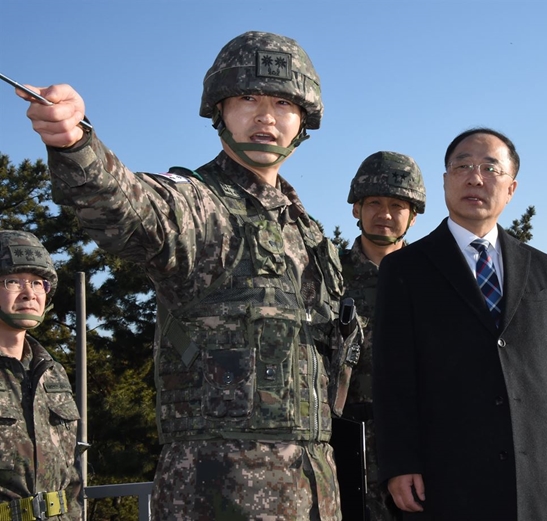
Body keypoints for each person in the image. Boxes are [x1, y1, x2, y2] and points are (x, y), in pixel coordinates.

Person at [17, 31, 360, 520]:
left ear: (303, 119)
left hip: (316, 491)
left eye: (283, 102)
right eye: (247, 98)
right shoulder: (200, 204)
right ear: (219, 110)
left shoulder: (308, 235)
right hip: (220, 490)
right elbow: (128, 207)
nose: (266, 116)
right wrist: (75, 142)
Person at [371, 128, 547, 520]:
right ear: (445, 180)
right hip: (446, 479)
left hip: (535, 478)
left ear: (511, 187)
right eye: (462, 166)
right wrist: (399, 462)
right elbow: (392, 376)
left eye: (489, 168)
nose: (475, 177)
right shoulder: (405, 269)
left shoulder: (542, 267)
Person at [336, 151, 425, 520]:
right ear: (356, 209)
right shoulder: (326, 275)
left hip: (420, 447)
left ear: (413, 216)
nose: (384, 213)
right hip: (343, 447)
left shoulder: (431, 277)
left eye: (396, 205)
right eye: (373, 202)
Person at [0, 230, 82, 521]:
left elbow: (71, 478)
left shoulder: (52, 372)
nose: (29, 292)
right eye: (13, 281)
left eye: (38, 282)